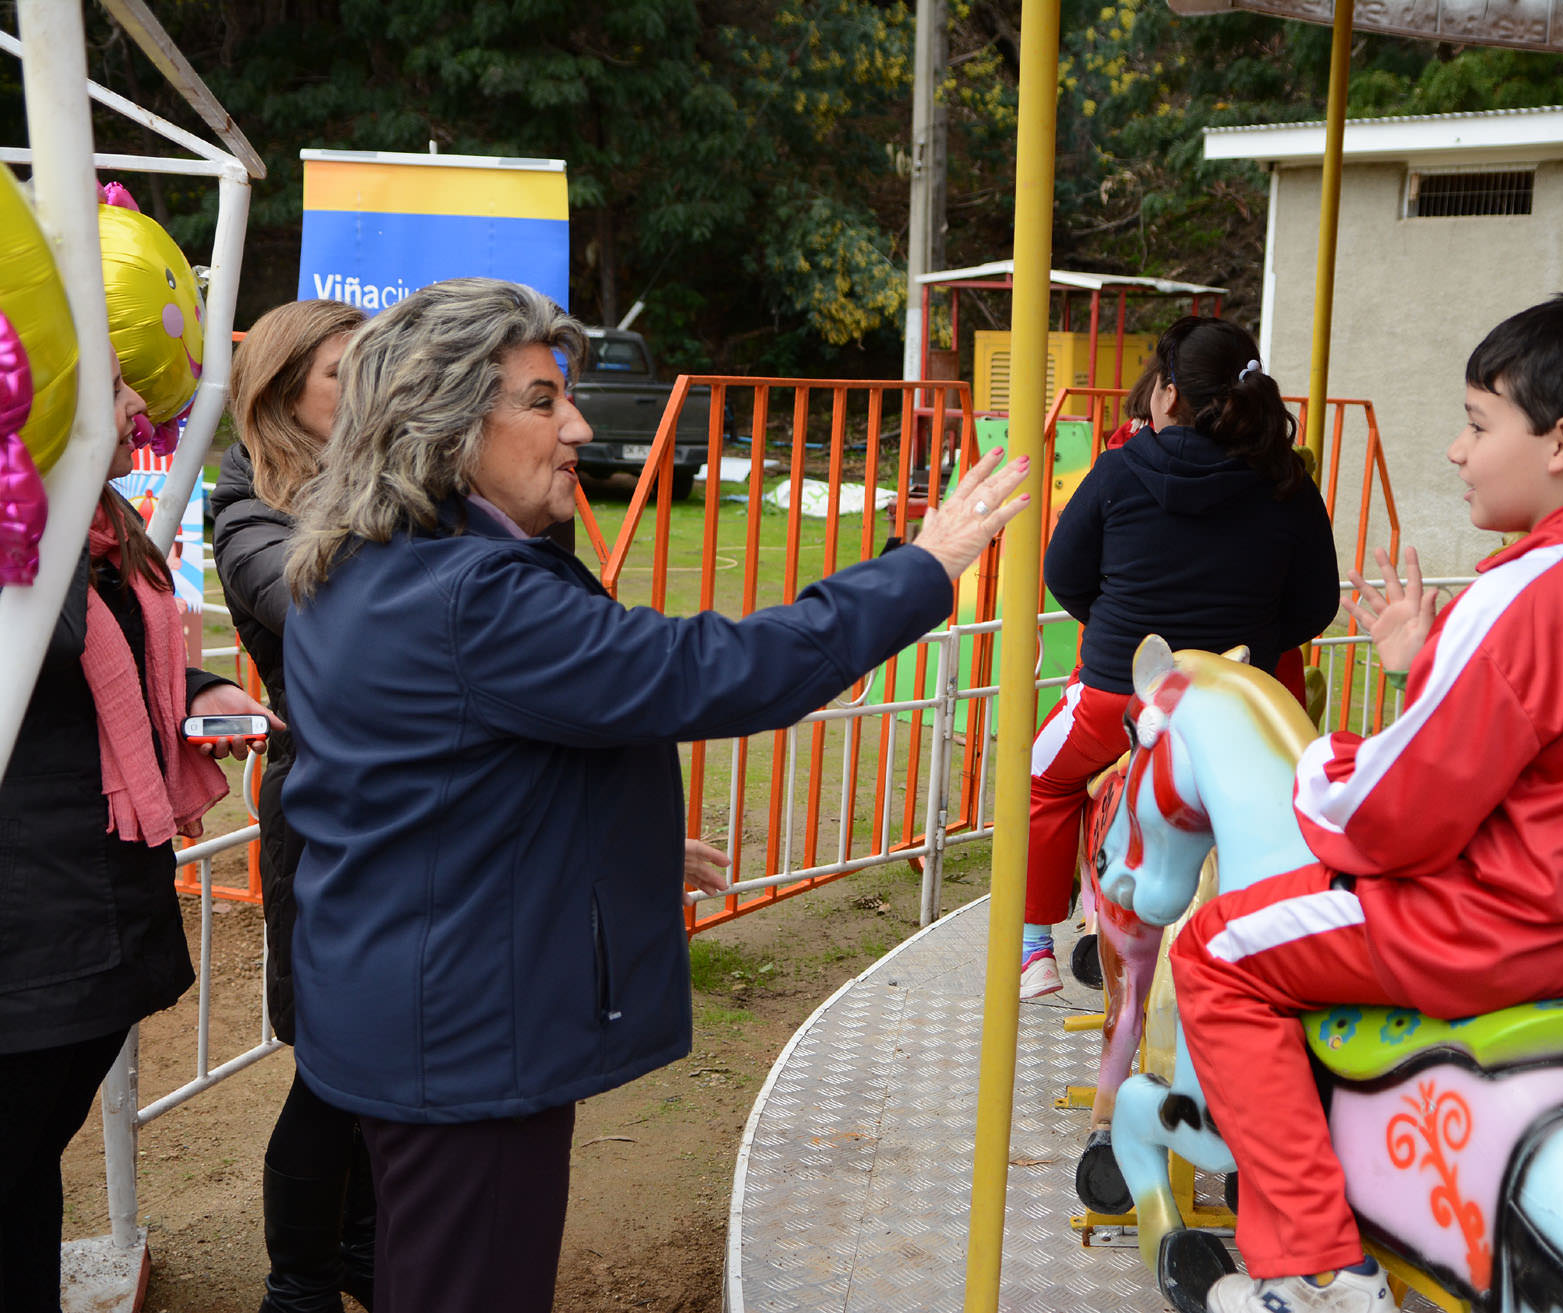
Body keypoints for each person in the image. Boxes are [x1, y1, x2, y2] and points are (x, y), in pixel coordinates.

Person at [275, 278, 1027, 1313]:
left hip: (410, 1003)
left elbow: (429, 780)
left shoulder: (362, 561)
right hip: (462, 1030)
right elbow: (705, 670)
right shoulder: (471, 592)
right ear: (445, 423)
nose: (576, 424)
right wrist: (923, 567)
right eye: (541, 400)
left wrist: (604, 842)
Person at [1174, 287, 1563, 1313]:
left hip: (1504, 927)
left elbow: (1380, 815)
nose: (1455, 451)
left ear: (1561, 441)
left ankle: (1311, 1264)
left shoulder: (1526, 590)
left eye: (1477, 423)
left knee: (1214, 948)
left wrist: (1320, 763)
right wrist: (1420, 664)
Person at [0, 355, 274, 1312]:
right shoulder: (27, 539)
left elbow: (116, 669)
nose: (140, 406)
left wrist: (205, 692)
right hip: (36, 932)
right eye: (113, 385)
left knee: (27, 1167)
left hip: (93, 911)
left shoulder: (103, 528)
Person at [1022, 316, 1340, 999]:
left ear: (1166, 394)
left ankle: (1033, 948)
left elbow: (1064, 571)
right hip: (1238, 700)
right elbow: (1316, 601)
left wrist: (1117, 629)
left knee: (1041, 779)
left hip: (1124, 695)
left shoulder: (1118, 470)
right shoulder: (1287, 483)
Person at [211, 299, 374, 1312]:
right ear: (280, 393)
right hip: (325, 807)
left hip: (411, 806)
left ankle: (358, 1248)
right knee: (334, 1060)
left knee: (384, 1048)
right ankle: (300, 1281)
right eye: (339, 375)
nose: (364, 394)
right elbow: (316, 606)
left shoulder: (388, 478)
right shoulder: (249, 498)